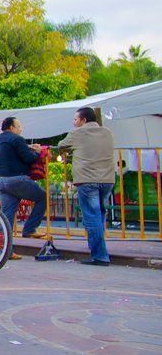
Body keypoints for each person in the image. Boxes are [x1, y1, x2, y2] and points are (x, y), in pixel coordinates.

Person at [59, 107, 116, 266]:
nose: (74, 122)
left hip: (87, 180)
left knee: (92, 217)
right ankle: (98, 248)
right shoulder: (108, 132)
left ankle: (100, 255)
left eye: (76, 119)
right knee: (99, 216)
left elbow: (62, 145)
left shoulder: (77, 133)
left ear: (84, 120)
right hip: (107, 180)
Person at [0, 116, 46, 245]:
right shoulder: (17, 139)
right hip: (18, 179)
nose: (21, 129)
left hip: (2, 181)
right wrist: (38, 153)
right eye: (19, 126)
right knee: (43, 197)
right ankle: (30, 229)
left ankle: (5, 248)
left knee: (7, 215)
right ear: (12, 127)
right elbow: (29, 158)